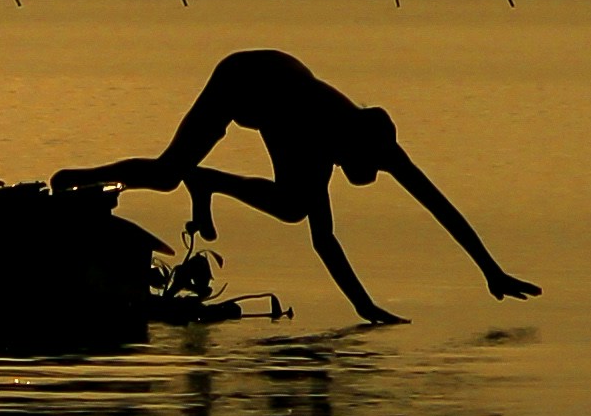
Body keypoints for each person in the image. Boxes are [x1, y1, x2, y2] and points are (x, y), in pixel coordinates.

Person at [52, 48, 539, 325]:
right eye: (357, 168)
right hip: (244, 79)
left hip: (281, 84)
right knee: (165, 175)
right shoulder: (316, 131)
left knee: (291, 206)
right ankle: (73, 179)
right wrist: (364, 307)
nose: (362, 177)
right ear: (346, 149)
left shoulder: (381, 146)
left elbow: (441, 207)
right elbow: (322, 237)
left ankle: (208, 183)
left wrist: (491, 271)